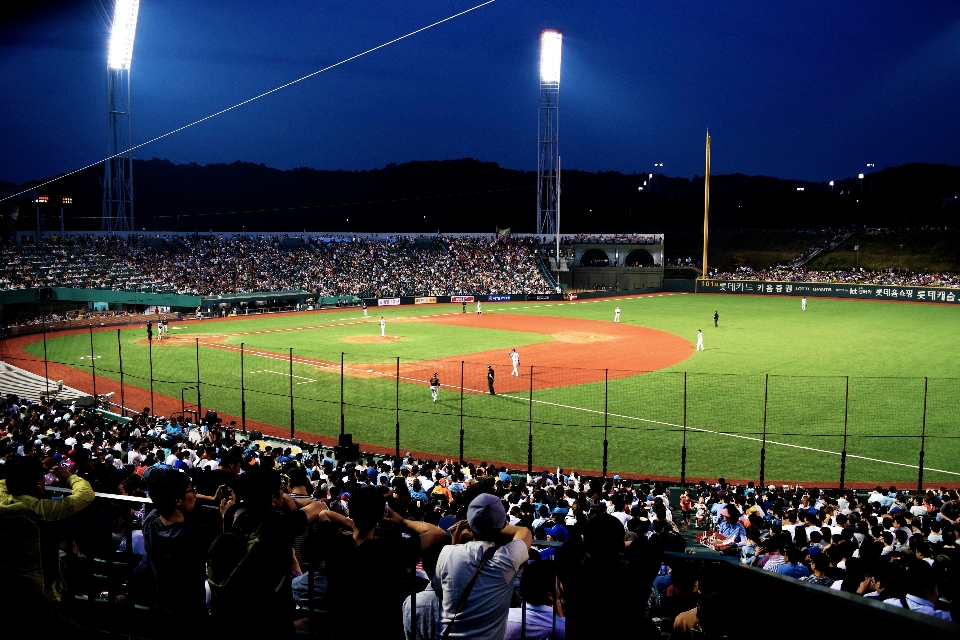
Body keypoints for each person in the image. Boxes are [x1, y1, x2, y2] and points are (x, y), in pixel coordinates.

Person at [434, 493, 532, 639]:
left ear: (469, 524)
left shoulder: (447, 552)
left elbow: (440, 591)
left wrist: (466, 534)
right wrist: (496, 526)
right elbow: (524, 531)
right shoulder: (507, 559)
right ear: (504, 523)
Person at [0, 455, 95, 602]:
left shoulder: (2, 502)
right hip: (38, 588)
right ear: (38, 482)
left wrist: (19, 475)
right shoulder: (43, 510)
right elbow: (86, 494)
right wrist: (70, 477)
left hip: (7, 581)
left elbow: (2, 484)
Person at [142, 469, 210, 620]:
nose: (194, 495)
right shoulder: (194, 536)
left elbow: (160, 498)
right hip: (189, 614)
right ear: (177, 500)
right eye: (191, 490)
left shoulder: (149, 525)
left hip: (159, 610)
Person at [504, 560, 565, 639]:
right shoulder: (559, 627)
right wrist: (560, 618)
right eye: (559, 581)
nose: (562, 586)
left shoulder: (505, 618)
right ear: (550, 594)